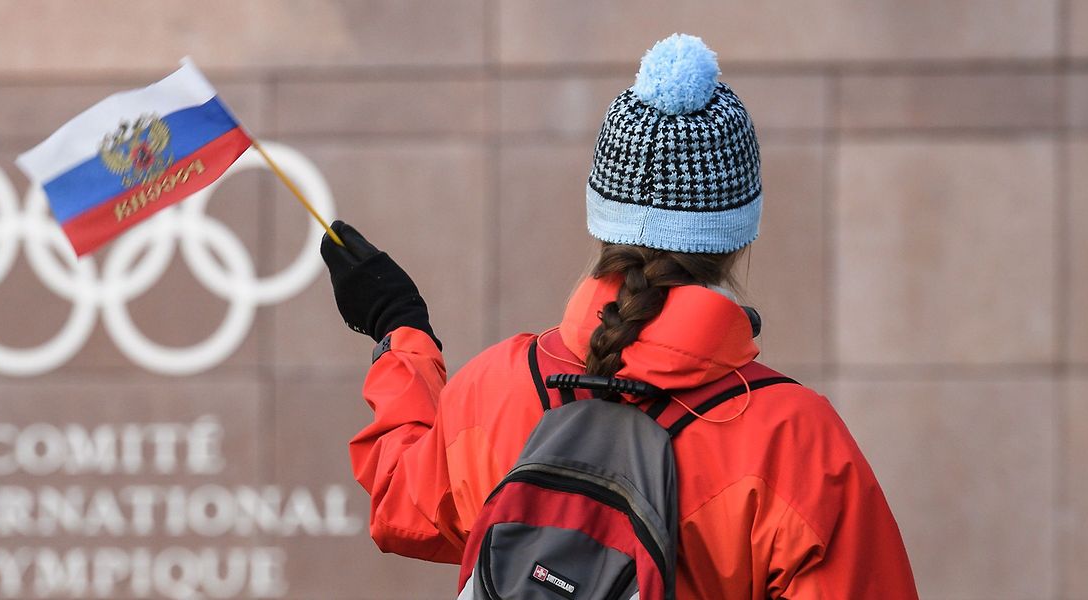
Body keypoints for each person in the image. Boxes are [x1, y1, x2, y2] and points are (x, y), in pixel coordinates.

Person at [319, 34, 919, 598]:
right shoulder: (794, 440)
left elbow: (404, 501)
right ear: (739, 235)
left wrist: (401, 330)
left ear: (601, 218)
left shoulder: (497, 386)